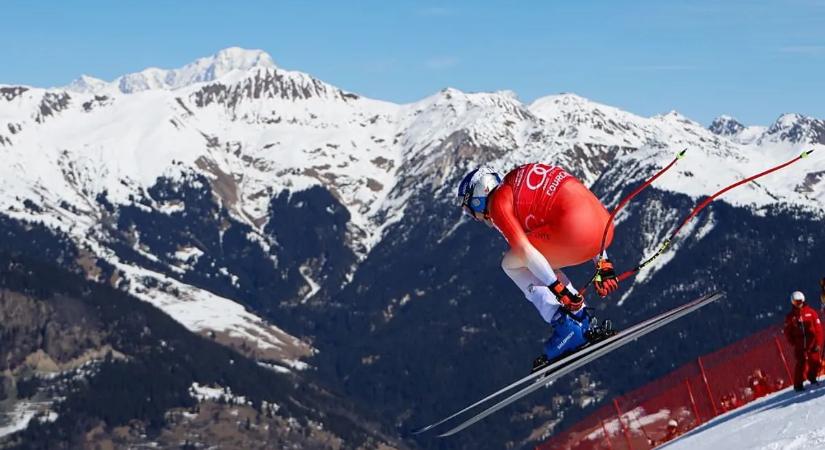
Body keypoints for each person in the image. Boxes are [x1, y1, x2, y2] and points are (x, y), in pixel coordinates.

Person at [458, 165, 619, 371]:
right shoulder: (519, 179)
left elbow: (526, 252)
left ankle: (567, 324)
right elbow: (580, 204)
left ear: (479, 195)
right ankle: (579, 318)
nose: (472, 215)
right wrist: (602, 263)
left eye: (468, 207)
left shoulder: (498, 204)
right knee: (537, 257)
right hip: (603, 228)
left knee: (512, 263)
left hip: (573, 233)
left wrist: (557, 288)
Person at [783, 291, 824, 392]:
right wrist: (794, 342)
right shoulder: (791, 317)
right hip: (800, 344)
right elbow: (788, 332)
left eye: (800, 301)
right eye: (796, 302)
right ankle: (798, 384)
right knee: (801, 363)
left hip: (812, 342)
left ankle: (812, 377)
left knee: (814, 361)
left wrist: (818, 343)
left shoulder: (811, 313)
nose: (799, 304)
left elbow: (818, 329)